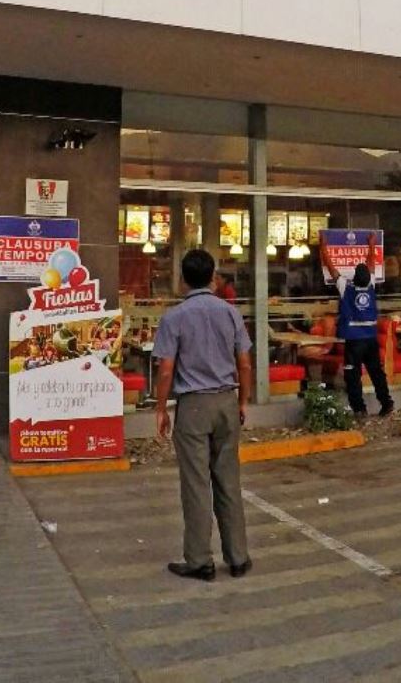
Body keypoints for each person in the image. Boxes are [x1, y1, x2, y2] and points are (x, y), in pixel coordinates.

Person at [152, 247, 254, 580]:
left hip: (193, 406)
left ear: (183, 280)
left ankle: (200, 561)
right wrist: (242, 401)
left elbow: (166, 370)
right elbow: (245, 362)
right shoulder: (230, 313)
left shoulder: (174, 317)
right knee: (228, 481)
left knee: (196, 484)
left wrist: (161, 408)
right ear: (213, 278)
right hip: (226, 400)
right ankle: (238, 558)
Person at [336, 262, 393, 418]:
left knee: (353, 375)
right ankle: (386, 403)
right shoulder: (371, 287)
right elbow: (372, 267)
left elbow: (332, 269)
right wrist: (372, 245)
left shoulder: (345, 289)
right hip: (370, 339)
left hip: (354, 340)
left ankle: (359, 409)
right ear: (368, 278)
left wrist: (323, 246)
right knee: (376, 372)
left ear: (354, 277)